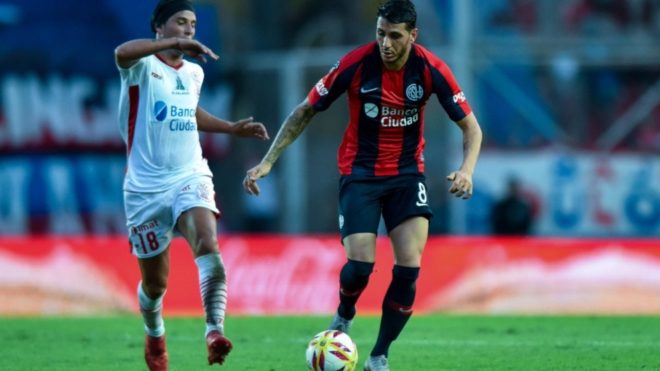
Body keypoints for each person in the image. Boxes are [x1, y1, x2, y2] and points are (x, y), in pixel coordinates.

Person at [243, 1, 482, 370]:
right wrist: (269, 161)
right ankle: (344, 314)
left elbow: (471, 127)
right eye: (381, 33)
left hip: (406, 175)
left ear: (412, 36)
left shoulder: (432, 69)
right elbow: (304, 110)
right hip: (360, 175)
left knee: (409, 268)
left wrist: (466, 169)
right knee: (360, 266)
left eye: (395, 36)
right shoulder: (355, 64)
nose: (386, 43)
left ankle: (379, 356)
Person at [114, 1, 269, 370]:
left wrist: (230, 128)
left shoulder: (194, 74)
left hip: (189, 175)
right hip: (145, 190)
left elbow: (190, 109)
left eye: (193, 24)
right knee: (155, 286)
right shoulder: (141, 66)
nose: (188, 29)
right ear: (159, 27)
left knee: (207, 241)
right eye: (180, 22)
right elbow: (120, 52)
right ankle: (155, 334)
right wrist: (171, 47)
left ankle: (214, 331)